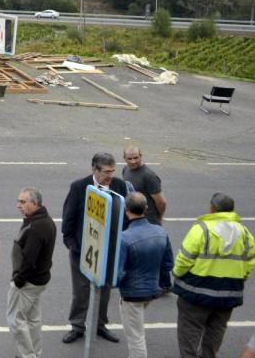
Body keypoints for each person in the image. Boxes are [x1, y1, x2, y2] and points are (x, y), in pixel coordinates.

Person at [174, 192, 255, 358]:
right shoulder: (244, 232)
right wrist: (241, 276)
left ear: (213, 209)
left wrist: (176, 273)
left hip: (196, 293)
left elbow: (184, 259)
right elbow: (252, 260)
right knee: (216, 330)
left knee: (190, 331)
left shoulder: (201, 229)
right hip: (228, 294)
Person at [60, 152, 129, 344]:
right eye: (106, 172)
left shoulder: (119, 186)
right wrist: (72, 245)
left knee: (105, 289)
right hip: (83, 251)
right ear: (94, 169)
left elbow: (124, 218)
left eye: (112, 171)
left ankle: (100, 325)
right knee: (81, 291)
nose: (110, 176)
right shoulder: (79, 187)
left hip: (108, 251)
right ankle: (77, 326)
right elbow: (69, 219)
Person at [117, 192, 175, 358]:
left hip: (131, 294)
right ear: (146, 208)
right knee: (137, 330)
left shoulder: (125, 237)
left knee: (136, 338)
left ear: (126, 209)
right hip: (151, 290)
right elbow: (168, 264)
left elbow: (118, 273)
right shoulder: (160, 232)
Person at [7, 187, 56, 358]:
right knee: (33, 320)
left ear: (35, 203)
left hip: (28, 283)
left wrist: (19, 280)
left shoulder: (35, 227)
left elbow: (29, 260)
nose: (18, 205)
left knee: (15, 320)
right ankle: (35, 353)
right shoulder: (44, 219)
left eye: (23, 202)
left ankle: (27, 355)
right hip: (39, 280)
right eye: (18, 201)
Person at [123, 145, 171, 290]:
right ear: (124, 159)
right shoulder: (126, 170)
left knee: (157, 254)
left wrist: (158, 217)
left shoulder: (149, 176)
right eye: (129, 158)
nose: (132, 161)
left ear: (141, 156)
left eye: (136, 158)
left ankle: (165, 284)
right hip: (133, 218)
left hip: (149, 220)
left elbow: (161, 201)